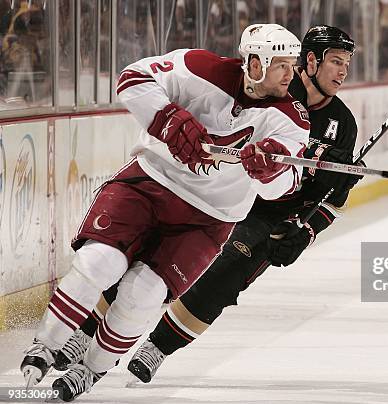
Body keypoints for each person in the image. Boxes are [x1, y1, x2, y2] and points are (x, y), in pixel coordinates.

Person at [52, 25, 363, 385]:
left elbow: (332, 197)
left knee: (229, 269)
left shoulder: (343, 126)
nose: (343, 72)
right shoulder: (271, 81)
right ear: (310, 60)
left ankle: (159, 346)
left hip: (266, 212)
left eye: (347, 64)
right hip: (212, 188)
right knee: (141, 247)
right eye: (336, 62)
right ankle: (85, 331)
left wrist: (307, 229)